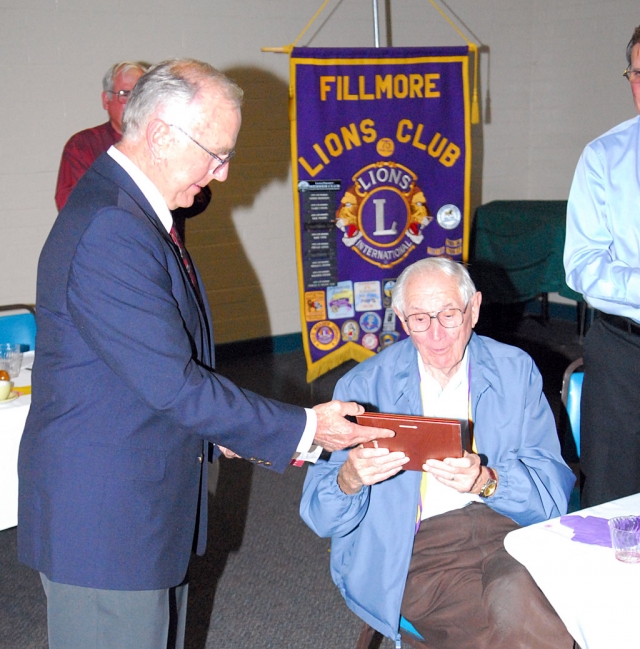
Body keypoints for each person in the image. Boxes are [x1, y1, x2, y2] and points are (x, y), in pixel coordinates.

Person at [18, 59, 390, 649]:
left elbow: (143, 369)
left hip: (133, 502)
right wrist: (303, 426)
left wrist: (224, 429)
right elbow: (175, 384)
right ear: (162, 133)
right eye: (216, 153)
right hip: (105, 523)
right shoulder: (111, 227)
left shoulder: (129, 212)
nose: (220, 175)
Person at [301, 258, 576, 648]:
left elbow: (551, 491)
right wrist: (349, 479)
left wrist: (489, 482)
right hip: (418, 550)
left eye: (449, 315)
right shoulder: (364, 386)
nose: (436, 335)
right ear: (399, 317)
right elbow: (319, 516)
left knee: (521, 603)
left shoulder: (514, 370)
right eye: (419, 319)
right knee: (525, 628)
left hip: (511, 532)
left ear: (474, 308)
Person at [564, 25, 640, 508]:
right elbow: (583, 266)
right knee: (614, 499)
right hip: (625, 352)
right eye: (639, 73)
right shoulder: (604, 157)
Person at [54, 60, 210, 238]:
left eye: (139, 94)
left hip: (163, 249)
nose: (132, 101)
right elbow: (76, 209)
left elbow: (200, 199)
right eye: (125, 93)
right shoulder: (82, 146)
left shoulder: (167, 140)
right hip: (108, 250)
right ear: (106, 100)